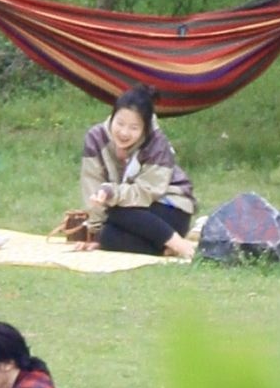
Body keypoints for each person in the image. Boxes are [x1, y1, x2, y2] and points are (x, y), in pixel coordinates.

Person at [62, 87, 197, 259]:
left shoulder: (156, 143)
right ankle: (164, 248)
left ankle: (179, 244)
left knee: (117, 212)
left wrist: (111, 193)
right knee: (108, 237)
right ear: (112, 117)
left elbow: (147, 192)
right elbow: (92, 185)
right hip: (126, 213)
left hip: (170, 210)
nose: (124, 133)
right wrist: (96, 233)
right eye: (119, 123)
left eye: (134, 127)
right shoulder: (96, 138)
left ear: (145, 128)